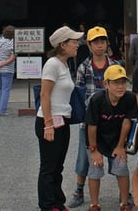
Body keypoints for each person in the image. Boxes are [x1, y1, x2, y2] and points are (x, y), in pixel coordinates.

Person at [68, 26, 121, 208]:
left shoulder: (115, 66)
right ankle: (79, 189)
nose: (100, 45)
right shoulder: (84, 67)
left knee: (118, 157)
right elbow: (79, 94)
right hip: (89, 121)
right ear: (89, 45)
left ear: (107, 43)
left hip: (113, 120)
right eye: (95, 42)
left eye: (102, 41)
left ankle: (125, 193)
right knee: (84, 158)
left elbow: (122, 91)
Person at [36, 25, 82, 211]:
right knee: (49, 167)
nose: (77, 44)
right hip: (49, 121)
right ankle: (47, 205)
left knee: (58, 166)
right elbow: (44, 95)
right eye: (74, 41)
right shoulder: (52, 64)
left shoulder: (64, 64)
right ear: (63, 45)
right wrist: (48, 125)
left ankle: (57, 201)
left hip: (62, 120)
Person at [84, 64, 138, 211]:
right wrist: (94, 150)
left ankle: (125, 203)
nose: (120, 87)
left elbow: (127, 122)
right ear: (106, 84)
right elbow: (91, 126)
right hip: (97, 139)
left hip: (117, 139)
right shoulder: (97, 99)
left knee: (121, 167)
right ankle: (94, 204)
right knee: (95, 168)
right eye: (115, 83)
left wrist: (120, 146)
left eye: (123, 82)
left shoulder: (130, 98)